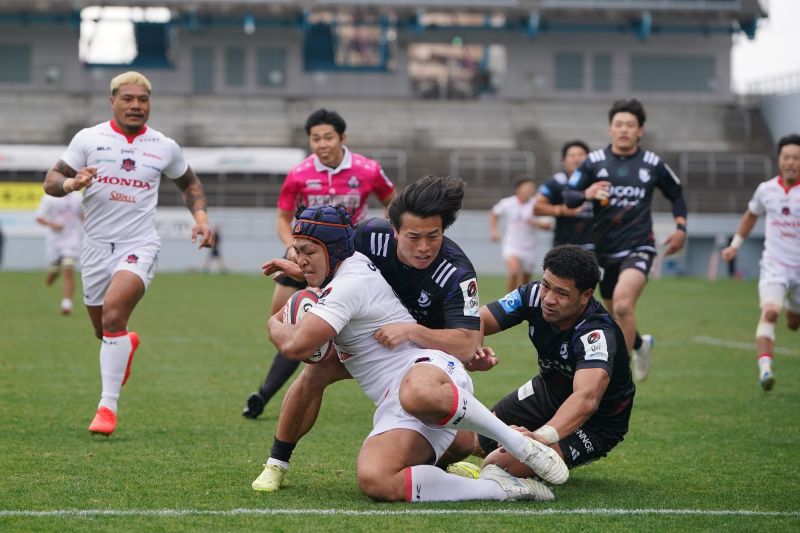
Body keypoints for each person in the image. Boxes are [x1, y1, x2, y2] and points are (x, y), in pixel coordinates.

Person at [255, 204, 568, 502]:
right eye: (298, 251)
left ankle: (519, 444)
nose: (301, 257)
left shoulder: (355, 284)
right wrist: (302, 271)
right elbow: (332, 278)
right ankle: (501, 488)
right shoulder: (357, 259)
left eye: (308, 252)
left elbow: (296, 346)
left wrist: (273, 322)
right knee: (375, 479)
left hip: (427, 367)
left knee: (415, 393)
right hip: (393, 394)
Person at [254, 175, 484, 492]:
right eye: (413, 236)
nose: (424, 247)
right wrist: (305, 270)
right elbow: (338, 263)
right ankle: (276, 464)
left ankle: (454, 453)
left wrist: (411, 331)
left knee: (460, 442)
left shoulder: (457, 271)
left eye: (434, 236)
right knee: (314, 372)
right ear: (394, 229)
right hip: (367, 336)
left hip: (419, 354)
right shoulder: (371, 235)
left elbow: (468, 342)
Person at [43, 71, 214, 436]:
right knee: (104, 330)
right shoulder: (89, 139)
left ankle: (107, 407)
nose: (136, 105)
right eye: (128, 99)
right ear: (113, 101)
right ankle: (124, 343)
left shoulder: (163, 146)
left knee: (114, 315)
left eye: (143, 99)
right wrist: (73, 183)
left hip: (139, 245)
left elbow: (190, 184)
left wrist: (200, 217)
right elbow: (51, 181)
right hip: (94, 248)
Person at [242, 108, 396, 418]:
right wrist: (291, 247)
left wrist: (381, 236)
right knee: (283, 321)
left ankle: (264, 394)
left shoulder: (368, 170)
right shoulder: (299, 173)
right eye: (315, 138)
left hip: (349, 263)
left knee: (322, 326)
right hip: (305, 258)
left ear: (343, 138)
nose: (322, 144)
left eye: (328, 137)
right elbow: (283, 218)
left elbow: (394, 202)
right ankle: (268, 391)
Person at [465, 245, 635, 478]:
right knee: (470, 440)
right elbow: (477, 321)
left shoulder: (596, 334)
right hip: (548, 391)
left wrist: (541, 438)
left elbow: (586, 398)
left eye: (562, 293)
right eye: (546, 285)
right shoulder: (534, 295)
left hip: (597, 423)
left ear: (586, 295)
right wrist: (472, 352)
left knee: (502, 464)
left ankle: (535, 478)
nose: (549, 298)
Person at [564, 98, 687, 381]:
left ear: (640, 131)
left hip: (639, 246)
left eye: (630, 125)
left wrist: (681, 228)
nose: (624, 130)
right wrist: (587, 193)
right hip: (604, 251)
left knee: (621, 305)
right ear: (610, 129)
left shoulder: (652, 163)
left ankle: (620, 377)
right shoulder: (593, 162)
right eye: (618, 124)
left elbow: (676, 193)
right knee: (614, 314)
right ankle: (641, 345)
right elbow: (569, 197)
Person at [721, 134, 800, 391]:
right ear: (779, 160)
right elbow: (751, 215)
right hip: (774, 263)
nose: (791, 162)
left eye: (796, 158)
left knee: (793, 322)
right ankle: (765, 370)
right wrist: (734, 246)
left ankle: (792, 303)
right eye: (786, 157)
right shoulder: (766, 190)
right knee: (770, 312)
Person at [490, 178, 552, 292]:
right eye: (526, 187)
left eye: (532, 188)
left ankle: (522, 303)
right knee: (513, 272)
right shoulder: (508, 203)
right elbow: (494, 213)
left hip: (529, 247)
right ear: (518, 189)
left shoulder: (537, 205)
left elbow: (548, 226)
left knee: (525, 281)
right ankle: (509, 302)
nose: (529, 190)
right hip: (512, 244)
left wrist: (536, 223)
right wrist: (494, 230)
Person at [534, 141, 593, 249]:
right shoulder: (556, 181)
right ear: (564, 160)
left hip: (596, 246)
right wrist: (560, 210)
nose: (577, 159)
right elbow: (536, 207)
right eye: (572, 155)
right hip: (565, 245)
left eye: (581, 155)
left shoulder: (598, 181)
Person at [35, 191, 83, 314]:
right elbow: (39, 217)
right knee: (51, 277)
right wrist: (53, 224)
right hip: (54, 241)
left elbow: (82, 216)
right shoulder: (49, 198)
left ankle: (67, 303)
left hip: (71, 238)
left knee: (68, 268)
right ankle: (52, 274)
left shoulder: (78, 197)